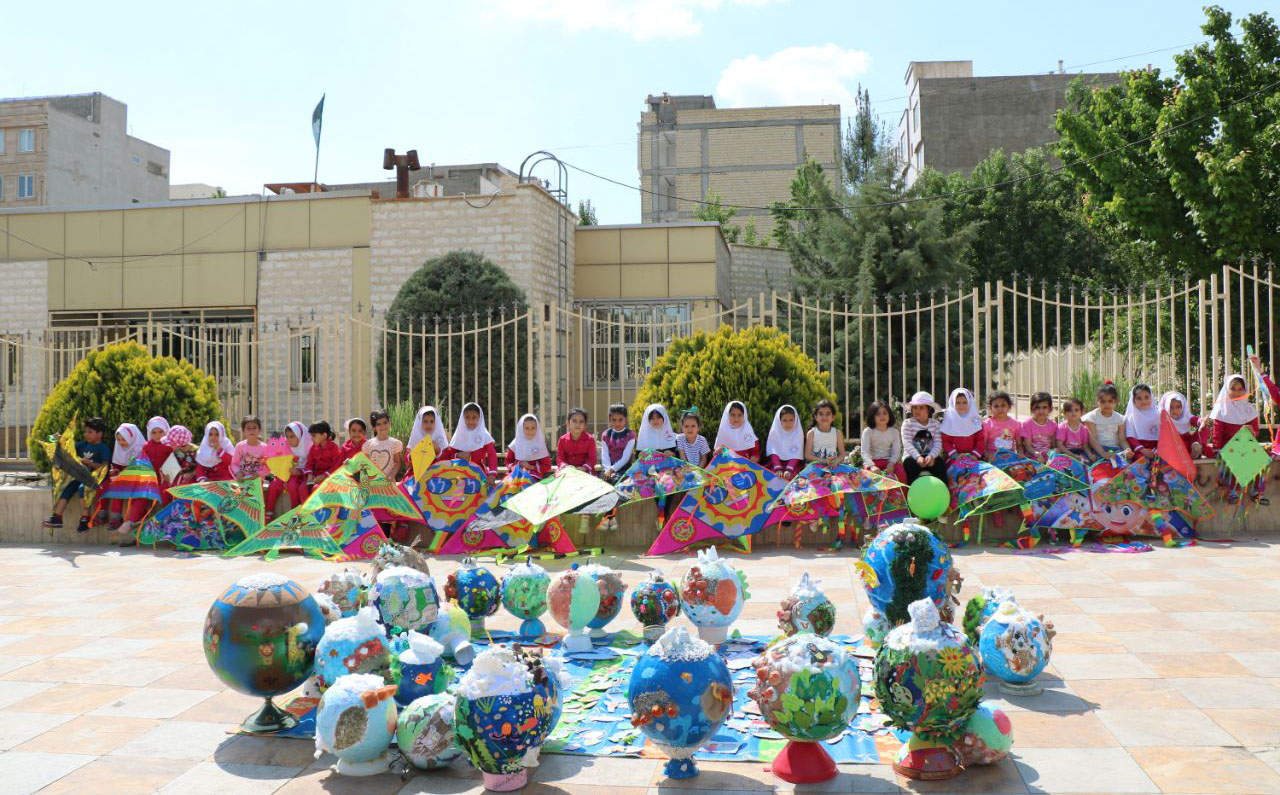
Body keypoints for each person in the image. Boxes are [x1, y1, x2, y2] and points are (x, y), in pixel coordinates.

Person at [43, 416, 111, 532]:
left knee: (82, 488)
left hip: (94, 478)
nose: (86, 434)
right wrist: (60, 439)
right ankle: (57, 517)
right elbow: (68, 448)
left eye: (90, 432)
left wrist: (90, 463)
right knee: (67, 489)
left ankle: (85, 518)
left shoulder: (103, 448)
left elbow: (105, 467)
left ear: (100, 434)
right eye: (85, 432)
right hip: (80, 476)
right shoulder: (82, 445)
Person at [104, 422, 145, 534]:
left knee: (139, 495)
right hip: (126, 479)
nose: (121, 443)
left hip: (139, 480)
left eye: (124, 439)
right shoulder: (119, 448)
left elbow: (143, 467)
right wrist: (114, 472)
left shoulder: (140, 448)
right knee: (116, 488)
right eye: (119, 439)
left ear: (132, 438)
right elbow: (117, 466)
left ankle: (132, 521)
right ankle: (116, 518)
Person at [901, 391, 946, 483]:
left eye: (921, 407)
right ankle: (910, 493)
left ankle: (945, 492)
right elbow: (907, 443)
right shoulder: (907, 424)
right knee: (909, 465)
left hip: (930, 456)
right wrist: (918, 457)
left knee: (940, 464)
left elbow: (938, 443)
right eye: (915, 407)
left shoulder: (935, 424)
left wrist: (932, 456)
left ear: (928, 409)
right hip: (912, 457)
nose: (917, 410)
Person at [445, 402, 499, 477]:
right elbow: (450, 455)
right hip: (459, 474)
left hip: (479, 473)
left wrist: (492, 474)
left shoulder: (484, 435)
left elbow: (492, 455)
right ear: (463, 418)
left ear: (479, 418)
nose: (470, 421)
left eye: (474, 417)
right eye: (467, 417)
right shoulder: (459, 434)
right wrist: (458, 455)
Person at [860, 400, 904, 480]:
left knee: (901, 473)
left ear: (889, 415)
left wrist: (891, 463)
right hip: (872, 462)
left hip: (889, 461)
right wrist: (872, 466)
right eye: (878, 414)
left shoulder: (894, 432)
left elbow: (896, 451)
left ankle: (902, 493)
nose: (882, 416)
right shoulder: (868, 431)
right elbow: (865, 452)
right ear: (872, 417)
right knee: (868, 478)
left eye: (885, 413)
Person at [404, 405, 449, 481]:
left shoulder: (440, 438)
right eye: (425, 421)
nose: (429, 424)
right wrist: (411, 456)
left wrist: (438, 451)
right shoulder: (416, 437)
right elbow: (406, 460)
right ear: (420, 422)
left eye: (432, 421)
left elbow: (448, 459)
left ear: (436, 422)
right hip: (417, 474)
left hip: (437, 474)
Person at [1084, 382, 1128, 459]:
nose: (1107, 404)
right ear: (1097, 401)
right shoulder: (1092, 417)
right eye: (1103, 401)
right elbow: (1092, 440)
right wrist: (1103, 453)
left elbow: (1122, 439)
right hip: (1098, 450)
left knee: (1125, 467)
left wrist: (1128, 450)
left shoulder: (1120, 418)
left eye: (1110, 401)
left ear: (1116, 401)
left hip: (1115, 450)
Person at [940, 388, 985, 461]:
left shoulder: (976, 421)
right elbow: (945, 441)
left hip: (973, 458)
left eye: (965, 402)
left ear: (970, 403)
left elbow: (980, 440)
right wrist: (955, 455)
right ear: (953, 403)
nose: (961, 405)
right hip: (954, 458)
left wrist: (975, 455)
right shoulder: (948, 421)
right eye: (958, 403)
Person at [505, 413, 552, 479]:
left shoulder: (540, 444)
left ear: (537, 428)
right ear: (521, 428)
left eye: (533, 428)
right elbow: (508, 461)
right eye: (527, 428)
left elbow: (547, 466)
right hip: (516, 475)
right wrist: (516, 467)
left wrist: (530, 467)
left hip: (534, 477)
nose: (530, 431)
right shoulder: (515, 444)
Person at [764, 405, 805, 479]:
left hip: (793, 465)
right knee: (774, 476)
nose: (788, 423)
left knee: (792, 478)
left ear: (795, 420)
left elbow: (796, 453)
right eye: (784, 420)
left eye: (791, 420)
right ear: (779, 421)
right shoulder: (775, 433)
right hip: (776, 463)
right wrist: (778, 468)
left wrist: (789, 469)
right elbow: (773, 452)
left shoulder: (798, 433)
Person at [278, 421, 312, 509]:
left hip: (308, 476)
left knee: (303, 488)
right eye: (287, 437)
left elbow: (312, 465)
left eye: (292, 436)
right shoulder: (286, 447)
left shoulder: (310, 447)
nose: (289, 440)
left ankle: (306, 512)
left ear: (300, 436)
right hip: (293, 475)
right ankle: (294, 509)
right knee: (291, 485)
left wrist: (300, 471)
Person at [362, 410, 404, 482]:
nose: (383, 426)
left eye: (385, 422)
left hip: (389, 484)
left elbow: (397, 463)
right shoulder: (367, 445)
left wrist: (392, 475)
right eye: (378, 424)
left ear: (389, 424)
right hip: (373, 484)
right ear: (374, 427)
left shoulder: (395, 443)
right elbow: (364, 464)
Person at [599, 403, 636, 483]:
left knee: (616, 481)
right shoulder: (606, 434)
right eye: (614, 420)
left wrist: (612, 470)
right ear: (610, 419)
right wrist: (607, 470)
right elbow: (604, 455)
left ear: (625, 419)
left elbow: (625, 458)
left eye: (620, 420)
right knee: (602, 481)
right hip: (607, 468)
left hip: (624, 468)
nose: (617, 423)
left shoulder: (630, 435)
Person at [1160, 391, 1202, 459]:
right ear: (1166, 406)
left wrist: (1201, 422)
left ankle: (1195, 449)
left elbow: (1196, 423)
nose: (1175, 410)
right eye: (1171, 407)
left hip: (1187, 440)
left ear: (1183, 407)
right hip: (1172, 447)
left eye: (1178, 407)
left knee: (1201, 429)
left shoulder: (1187, 417)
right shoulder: (1164, 420)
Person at [1123, 384, 1161, 459]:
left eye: (1147, 397)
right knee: (1141, 460)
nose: (1143, 401)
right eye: (1139, 398)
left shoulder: (1158, 415)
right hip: (1139, 450)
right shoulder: (1131, 417)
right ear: (1133, 400)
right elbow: (1130, 437)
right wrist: (1142, 450)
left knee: (1162, 460)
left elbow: (1162, 436)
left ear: (1151, 397)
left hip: (1156, 449)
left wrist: (1157, 449)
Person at [556, 408, 597, 473]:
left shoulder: (590, 439)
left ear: (585, 425)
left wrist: (584, 468)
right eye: (574, 421)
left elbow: (592, 459)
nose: (578, 424)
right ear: (568, 423)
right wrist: (565, 466)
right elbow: (560, 458)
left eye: (581, 422)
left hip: (585, 472)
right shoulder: (562, 440)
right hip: (566, 471)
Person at [303, 421, 343, 488]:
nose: (311, 438)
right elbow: (309, 463)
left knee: (315, 488)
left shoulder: (333, 448)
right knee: (302, 488)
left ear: (324, 435)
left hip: (330, 477)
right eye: (311, 436)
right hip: (315, 477)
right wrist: (310, 475)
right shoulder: (313, 448)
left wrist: (324, 476)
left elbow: (337, 465)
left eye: (314, 435)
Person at [1020, 392, 1058, 463]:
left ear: (1050, 409)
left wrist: (1053, 453)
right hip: (1032, 455)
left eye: (1044, 407)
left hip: (1048, 455)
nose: (1041, 411)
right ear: (1032, 408)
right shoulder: (1027, 424)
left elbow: (1053, 446)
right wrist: (1036, 454)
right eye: (1037, 407)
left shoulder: (1053, 425)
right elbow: (1028, 446)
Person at [982, 390, 1020, 460]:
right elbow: (982, 445)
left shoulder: (1016, 424)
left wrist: (1020, 454)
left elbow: (1019, 444)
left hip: (1010, 458)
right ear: (990, 408)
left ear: (1009, 407)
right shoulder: (986, 424)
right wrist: (987, 455)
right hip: (992, 458)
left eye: (1003, 405)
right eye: (996, 406)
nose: (1000, 409)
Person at [806, 399, 844, 465]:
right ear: (815, 417)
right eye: (820, 414)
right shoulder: (811, 433)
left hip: (833, 467)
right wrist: (823, 461)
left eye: (828, 414)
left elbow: (842, 454)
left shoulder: (837, 433)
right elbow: (807, 455)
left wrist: (836, 461)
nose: (824, 417)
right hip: (815, 468)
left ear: (833, 417)